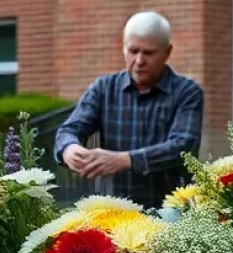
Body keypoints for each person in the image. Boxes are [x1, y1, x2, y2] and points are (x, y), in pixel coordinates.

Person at [54, 11, 204, 207]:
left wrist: (125, 160)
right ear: (124, 48)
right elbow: (69, 130)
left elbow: (183, 147)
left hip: (169, 214)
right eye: (133, 51)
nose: (139, 61)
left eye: (148, 53)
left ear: (167, 52)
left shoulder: (187, 92)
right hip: (112, 211)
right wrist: (69, 149)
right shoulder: (104, 88)